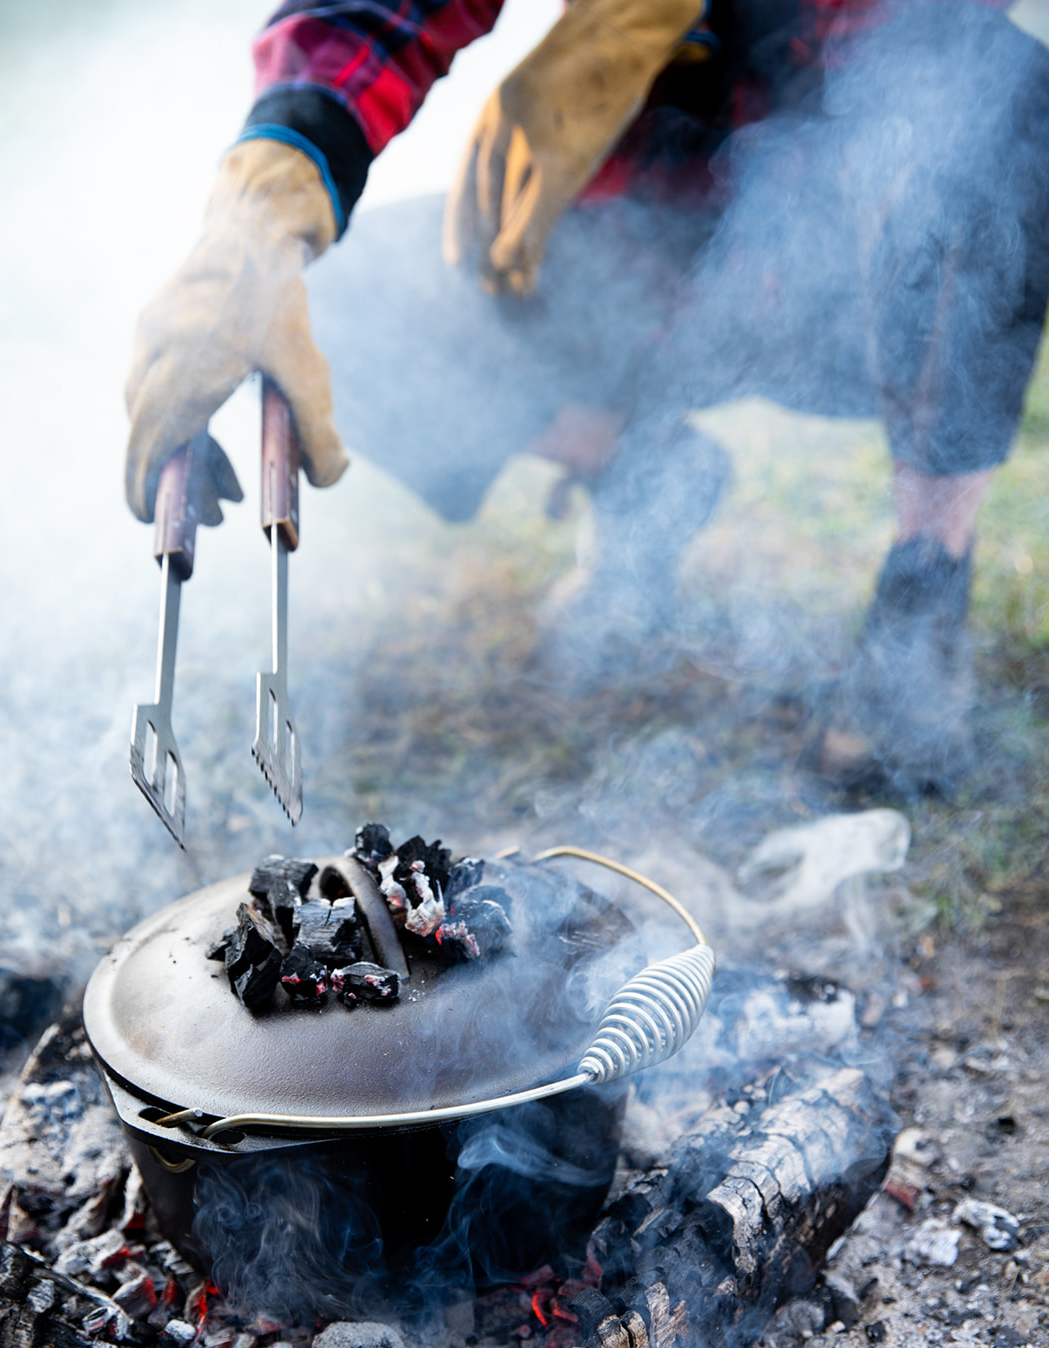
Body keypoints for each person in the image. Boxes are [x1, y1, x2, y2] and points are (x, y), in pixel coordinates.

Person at [125, 0, 1049, 798]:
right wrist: (270, 191)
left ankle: (924, 584)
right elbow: (380, 12)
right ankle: (634, 461)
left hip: (850, 282)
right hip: (630, 261)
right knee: (334, 300)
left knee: (1002, 103)